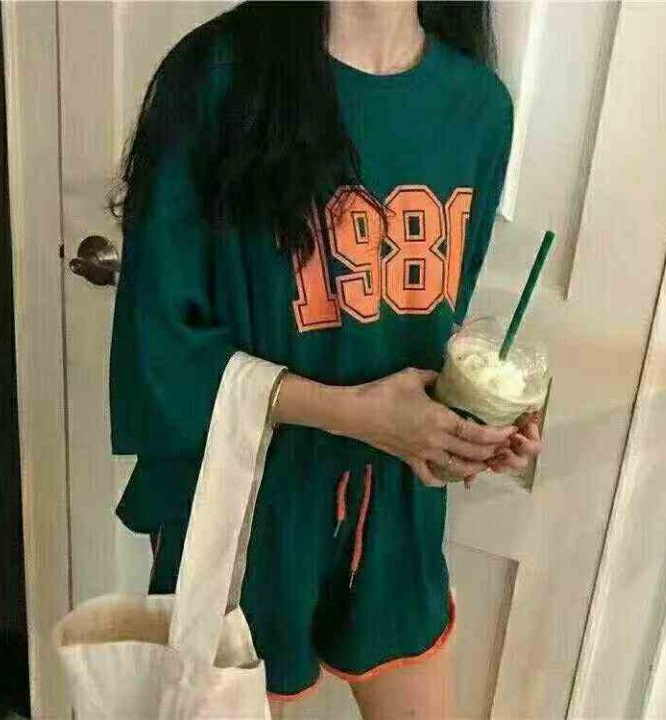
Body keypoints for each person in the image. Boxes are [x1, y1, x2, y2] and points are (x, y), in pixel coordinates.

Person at [108, 2, 542, 717]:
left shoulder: (477, 107)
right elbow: (160, 344)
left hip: (395, 501)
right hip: (246, 500)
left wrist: (472, 422)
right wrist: (352, 413)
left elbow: (432, 320)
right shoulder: (216, 79)